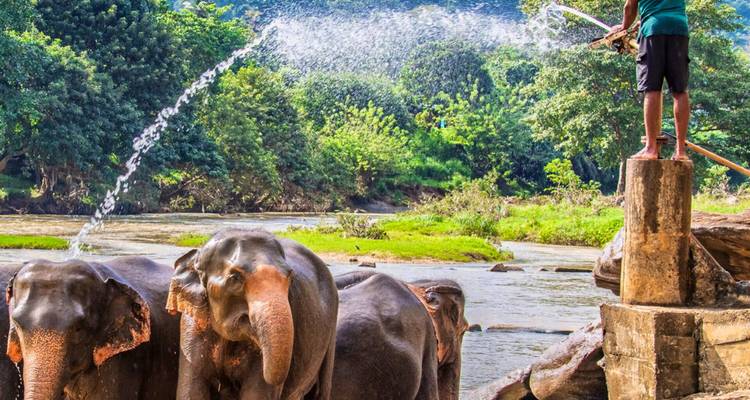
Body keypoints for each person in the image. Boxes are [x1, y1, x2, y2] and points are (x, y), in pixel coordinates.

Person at [608, 0, 690, 161]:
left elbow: (630, 7)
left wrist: (623, 27)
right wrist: (643, 19)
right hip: (679, 28)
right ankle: (680, 151)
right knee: (680, 91)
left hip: (652, 29)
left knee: (652, 88)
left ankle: (651, 148)